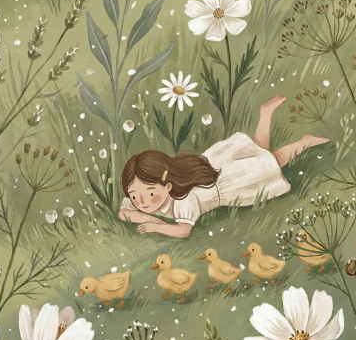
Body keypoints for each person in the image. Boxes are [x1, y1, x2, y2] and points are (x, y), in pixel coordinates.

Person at [117, 96, 327, 239]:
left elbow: (183, 231)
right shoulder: (144, 192)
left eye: (149, 193)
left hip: (227, 180)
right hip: (214, 166)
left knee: (270, 161)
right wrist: (150, 217)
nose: (141, 201)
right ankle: (266, 114)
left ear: (168, 185)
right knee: (257, 152)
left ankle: (303, 142)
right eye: (134, 195)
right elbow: (124, 212)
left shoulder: (184, 199)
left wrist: (157, 227)